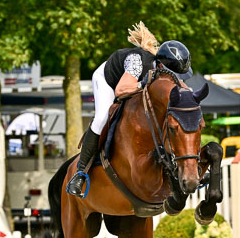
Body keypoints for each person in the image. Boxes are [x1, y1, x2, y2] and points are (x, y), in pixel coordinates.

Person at [66, 23, 193, 197]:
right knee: (102, 118)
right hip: (110, 81)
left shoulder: (166, 71)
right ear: (161, 67)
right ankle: (80, 173)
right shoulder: (138, 61)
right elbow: (120, 90)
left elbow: (182, 88)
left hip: (132, 84)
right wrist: (143, 84)